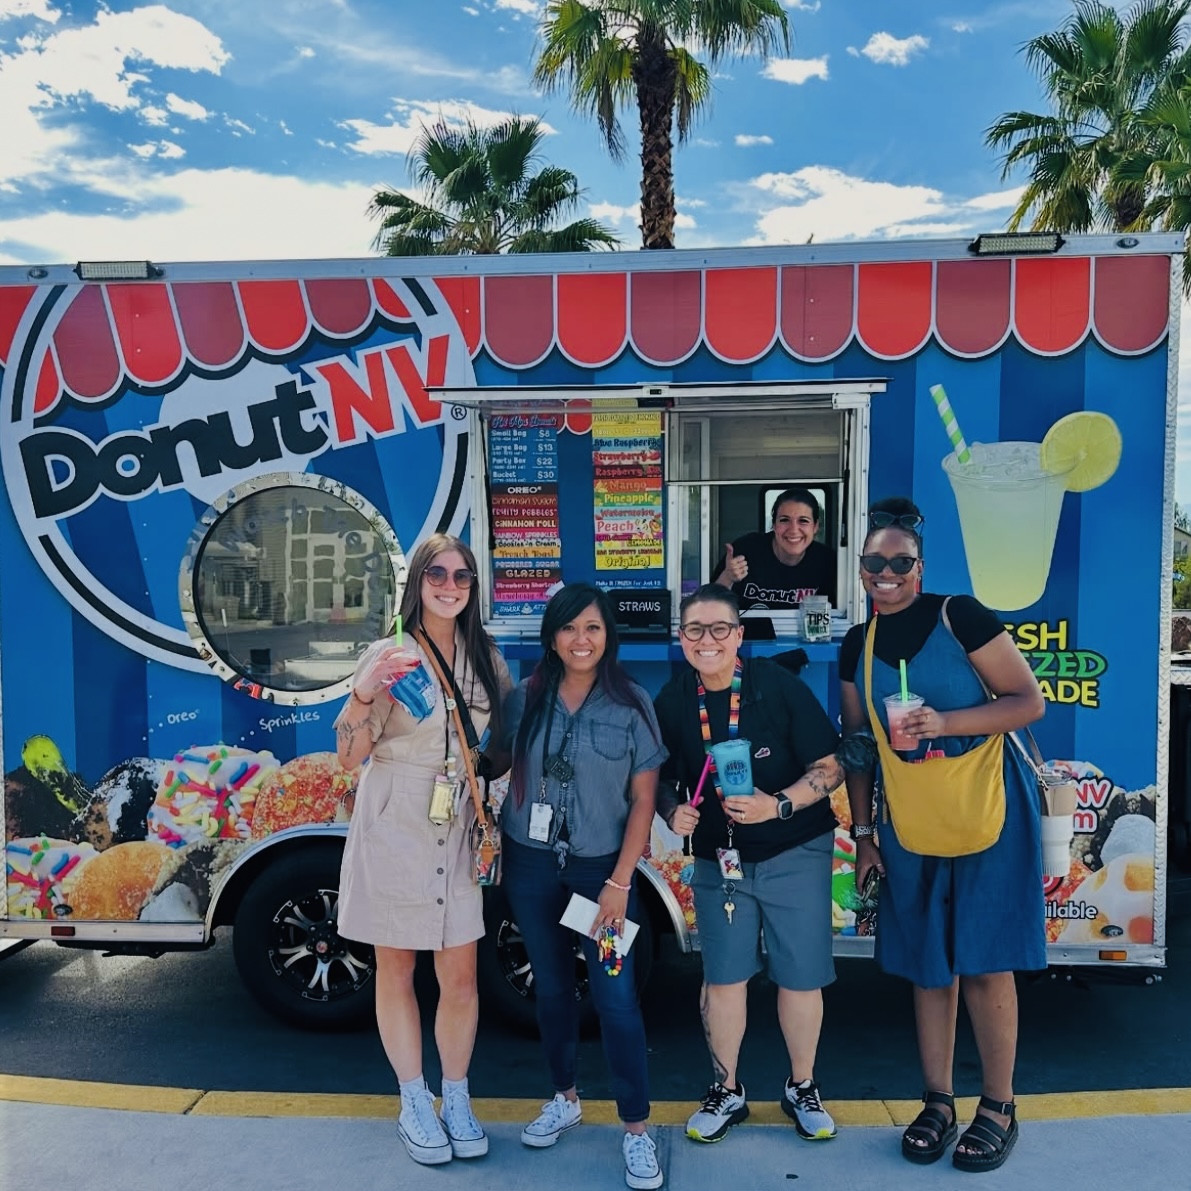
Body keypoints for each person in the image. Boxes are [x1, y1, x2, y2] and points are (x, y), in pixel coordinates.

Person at [838, 518, 1046, 1173]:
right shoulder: (856, 644)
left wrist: (944, 721)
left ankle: (997, 1105)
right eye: (873, 561)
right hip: (910, 820)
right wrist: (865, 833)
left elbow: (1026, 700)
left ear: (919, 566)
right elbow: (858, 746)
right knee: (929, 965)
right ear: (861, 566)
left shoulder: (960, 615)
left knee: (984, 962)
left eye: (899, 561)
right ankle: (936, 1101)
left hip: (987, 806)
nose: (885, 572)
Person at [334, 534, 511, 1167]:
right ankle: (414, 1098)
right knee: (398, 969)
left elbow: (498, 748)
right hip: (396, 821)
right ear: (417, 580)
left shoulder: (489, 658)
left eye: (462, 575)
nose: (450, 584)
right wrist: (361, 693)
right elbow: (349, 756)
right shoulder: (390, 655)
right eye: (437, 572)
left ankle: (456, 1097)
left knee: (460, 975)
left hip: (458, 820)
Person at [653, 584, 844, 1145]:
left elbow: (829, 767)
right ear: (681, 638)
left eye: (719, 629)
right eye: (695, 630)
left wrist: (777, 804)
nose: (707, 641)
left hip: (795, 850)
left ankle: (802, 1086)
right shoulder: (674, 699)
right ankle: (726, 1089)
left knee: (801, 978)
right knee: (724, 979)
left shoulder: (776, 687)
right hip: (720, 861)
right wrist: (672, 809)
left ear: (739, 636)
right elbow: (662, 776)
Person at [502, 582, 668, 1191]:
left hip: (600, 874)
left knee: (615, 999)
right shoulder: (525, 699)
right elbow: (492, 761)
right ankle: (564, 1098)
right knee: (550, 988)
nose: (581, 640)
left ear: (608, 636)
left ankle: (637, 1132)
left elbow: (645, 800)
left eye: (593, 628)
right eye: (570, 628)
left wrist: (620, 882)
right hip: (530, 864)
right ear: (552, 635)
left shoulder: (632, 703)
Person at [713, 486, 836, 610]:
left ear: (815, 527)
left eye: (803, 521)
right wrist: (727, 577)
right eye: (784, 520)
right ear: (774, 525)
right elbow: (708, 604)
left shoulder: (827, 561)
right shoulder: (746, 550)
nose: (793, 530)